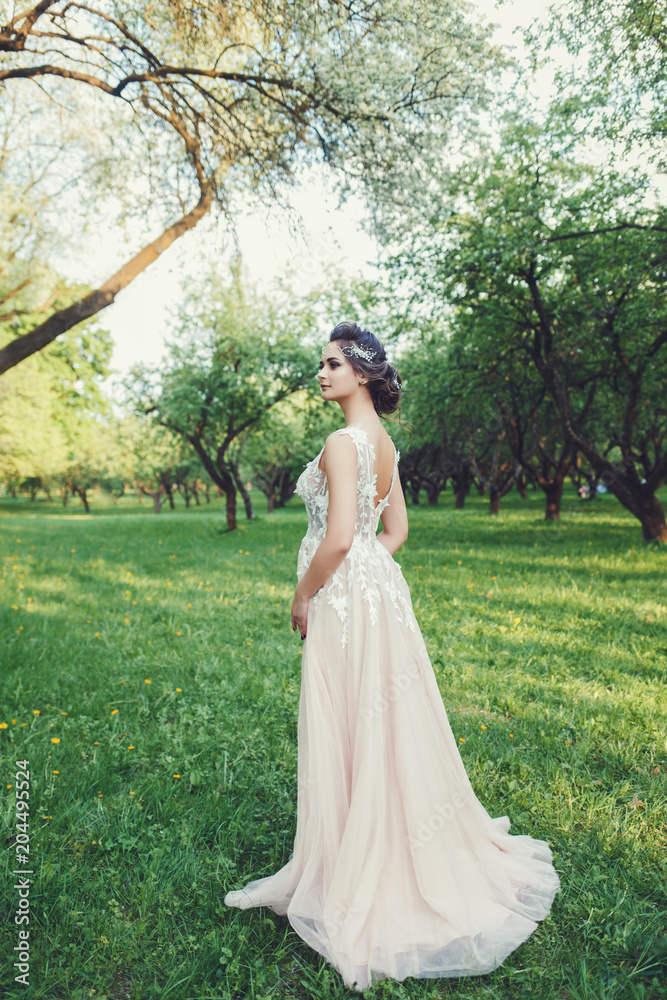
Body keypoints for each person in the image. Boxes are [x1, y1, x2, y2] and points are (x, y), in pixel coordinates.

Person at [224, 321, 561, 991]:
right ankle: (384, 838)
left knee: (349, 720)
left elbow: (343, 536)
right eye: (319, 364)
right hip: (377, 595)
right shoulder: (385, 442)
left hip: (345, 597)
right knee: (382, 718)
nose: (320, 373)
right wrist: (367, 577)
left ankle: (356, 869)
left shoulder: (342, 441)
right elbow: (395, 531)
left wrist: (302, 596)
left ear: (363, 374)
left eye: (331, 364)